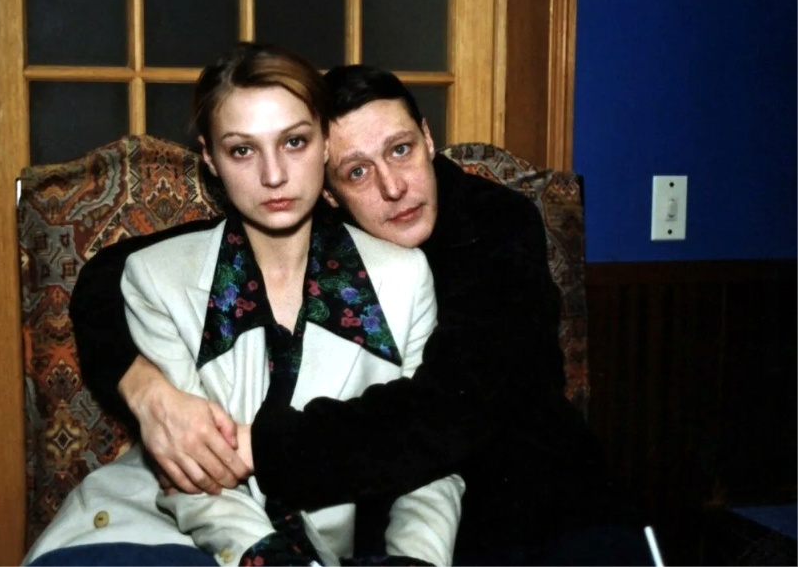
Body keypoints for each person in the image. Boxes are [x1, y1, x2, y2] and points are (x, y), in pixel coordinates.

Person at [72, 65, 654, 566]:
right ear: (327, 189)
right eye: (357, 171)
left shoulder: (496, 224)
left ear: (428, 139)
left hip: (545, 502)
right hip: (394, 518)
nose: (394, 187)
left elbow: (451, 411)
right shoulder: (317, 229)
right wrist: (146, 390)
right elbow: (107, 276)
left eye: (400, 150)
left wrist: (259, 450)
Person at [22, 44, 464, 567]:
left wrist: (416, 560)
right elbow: (193, 476)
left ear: (325, 143)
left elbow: (428, 462)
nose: (274, 175)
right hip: (160, 532)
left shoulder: (403, 277)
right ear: (210, 158)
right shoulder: (154, 278)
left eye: (294, 142)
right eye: (242, 150)